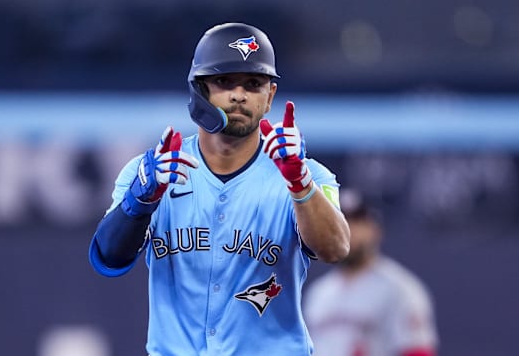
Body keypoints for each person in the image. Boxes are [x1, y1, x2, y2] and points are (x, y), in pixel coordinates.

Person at [88, 22, 350, 355]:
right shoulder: (155, 170)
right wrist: (140, 201)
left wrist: (300, 184)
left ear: (269, 97)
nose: (239, 94)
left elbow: (336, 249)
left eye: (253, 84)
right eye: (224, 81)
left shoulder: (309, 175)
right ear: (200, 90)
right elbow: (108, 258)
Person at [303, 188, 438, 356]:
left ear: (375, 230)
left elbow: (417, 351)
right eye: (339, 219)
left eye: (355, 221)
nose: (347, 229)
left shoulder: (400, 289)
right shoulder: (319, 293)